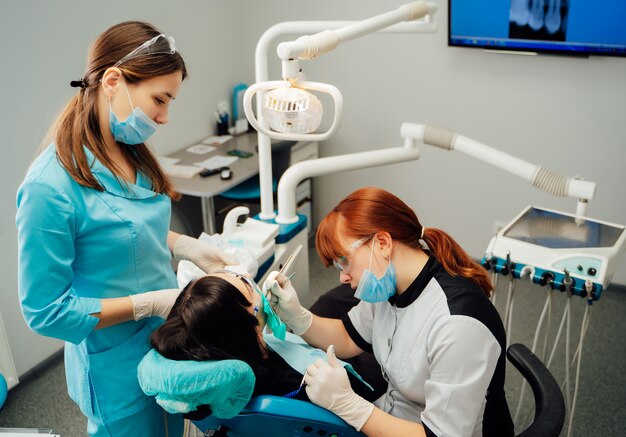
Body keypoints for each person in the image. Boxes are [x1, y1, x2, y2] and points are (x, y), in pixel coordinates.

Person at [16, 22, 235, 437]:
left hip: (167, 343)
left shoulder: (128, 152)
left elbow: (121, 226)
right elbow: (45, 311)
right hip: (115, 366)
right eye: (160, 99)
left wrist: (184, 245)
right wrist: (145, 304)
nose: (165, 117)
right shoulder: (49, 187)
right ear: (113, 81)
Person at [265, 187, 515, 437]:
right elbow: (347, 337)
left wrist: (350, 406)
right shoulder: (388, 287)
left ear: (382, 243)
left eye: (343, 260)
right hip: (395, 415)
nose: (342, 276)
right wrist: (296, 315)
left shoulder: (458, 323)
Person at [149, 271, 385, 412]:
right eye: (243, 281)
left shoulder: (228, 347)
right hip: (357, 376)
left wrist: (300, 317)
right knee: (365, 306)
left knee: (330, 301)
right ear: (249, 319)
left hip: (285, 350)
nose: (250, 278)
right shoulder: (301, 380)